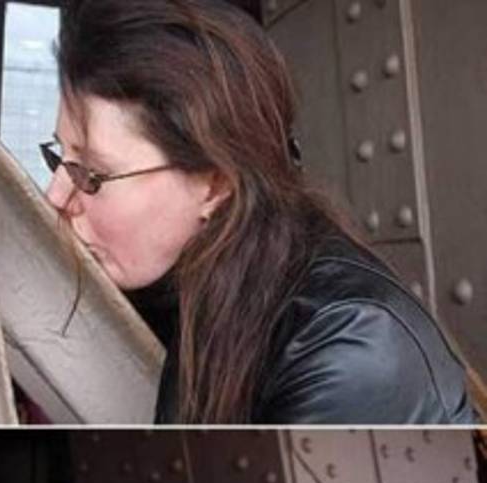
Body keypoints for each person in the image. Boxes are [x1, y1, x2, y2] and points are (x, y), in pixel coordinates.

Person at [40, 0, 474, 424]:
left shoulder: (348, 344)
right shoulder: (186, 277)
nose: (55, 197)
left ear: (216, 184)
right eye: (61, 156)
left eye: (93, 174)